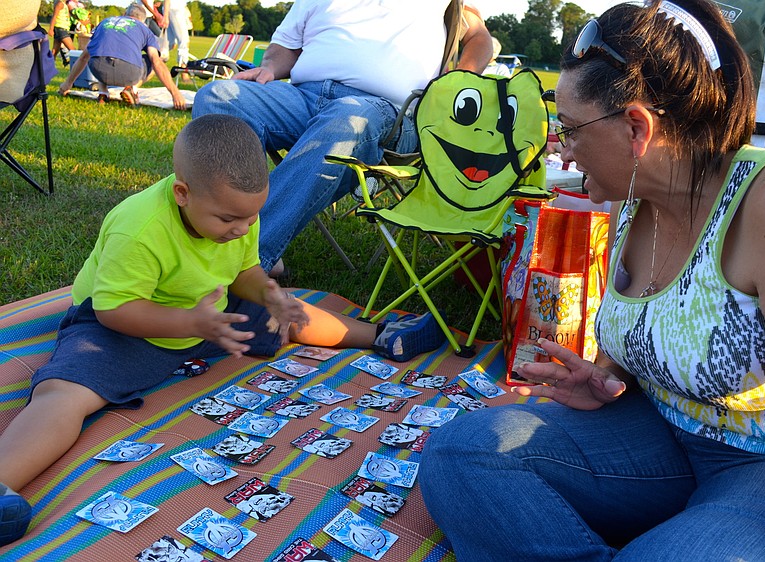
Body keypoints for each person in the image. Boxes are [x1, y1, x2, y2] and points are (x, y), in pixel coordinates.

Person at [420, 0, 765, 559]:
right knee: (463, 454)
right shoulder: (634, 193)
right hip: (655, 439)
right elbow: (666, 324)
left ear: (636, 127)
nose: (563, 152)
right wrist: (603, 379)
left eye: (571, 131)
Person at [0, 113, 442, 547]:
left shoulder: (238, 215)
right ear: (182, 193)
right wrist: (190, 322)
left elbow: (243, 271)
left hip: (207, 314)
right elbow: (117, 310)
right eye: (229, 220)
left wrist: (266, 293)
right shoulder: (138, 228)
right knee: (66, 391)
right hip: (121, 326)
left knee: (286, 315)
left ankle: (382, 334)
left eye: (251, 219)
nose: (242, 229)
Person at [191, 0, 494, 276]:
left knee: (347, 119)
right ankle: (225, 227)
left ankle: (246, 257)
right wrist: (270, 66)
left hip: (386, 111)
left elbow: (480, 38)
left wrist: (456, 78)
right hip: (304, 97)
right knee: (219, 96)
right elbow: (285, 46)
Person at [57, 3, 186, 109]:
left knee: (105, 49)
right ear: (142, 20)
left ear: (125, 14)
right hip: (128, 72)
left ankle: (103, 92)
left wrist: (67, 83)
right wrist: (175, 94)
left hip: (98, 69)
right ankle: (131, 88)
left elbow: (84, 56)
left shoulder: (105, 22)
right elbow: (156, 62)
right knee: (151, 59)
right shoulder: (145, 29)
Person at [48, 0, 75, 67]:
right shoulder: (60, 4)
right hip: (60, 29)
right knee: (73, 50)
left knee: (54, 51)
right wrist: (51, 29)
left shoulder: (65, 5)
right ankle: (77, 67)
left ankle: (48, 67)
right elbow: (54, 16)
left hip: (62, 29)